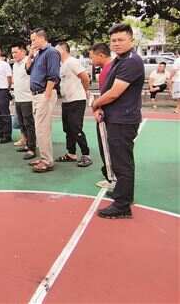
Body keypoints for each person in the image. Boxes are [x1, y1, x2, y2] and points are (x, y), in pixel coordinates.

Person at [92, 23, 144, 219]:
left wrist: (96, 104)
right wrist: (101, 108)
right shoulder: (119, 60)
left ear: (131, 40)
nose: (116, 43)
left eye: (121, 39)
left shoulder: (131, 62)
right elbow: (108, 89)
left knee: (122, 163)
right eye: (113, 40)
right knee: (118, 160)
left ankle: (122, 206)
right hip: (116, 117)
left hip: (123, 120)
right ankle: (123, 194)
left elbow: (115, 92)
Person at [25, 29, 61, 173]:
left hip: (44, 94)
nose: (32, 43)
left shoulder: (51, 52)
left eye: (34, 40)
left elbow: (53, 76)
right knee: (40, 128)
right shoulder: (39, 54)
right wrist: (30, 54)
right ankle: (44, 157)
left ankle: (47, 161)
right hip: (37, 95)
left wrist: (46, 97)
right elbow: (28, 70)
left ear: (42, 38)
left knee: (42, 129)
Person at [55, 42, 92, 167]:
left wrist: (85, 90)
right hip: (67, 101)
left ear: (62, 50)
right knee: (68, 128)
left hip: (77, 100)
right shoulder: (62, 65)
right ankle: (71, 153)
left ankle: (86, 154)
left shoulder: (72, 62)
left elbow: (85, 77)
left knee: (76, 128)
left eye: (56, 50)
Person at [90, 43, 115, 189]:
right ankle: (112, 176)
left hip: (107, 114)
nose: (91, 60)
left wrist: (96, 106)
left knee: (106, 147)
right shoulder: (111, 68)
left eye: (92, 57)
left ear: (100, 55)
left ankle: (112, 179)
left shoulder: (108, 70)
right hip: (109, 112)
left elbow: (108, 94)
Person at [11, 44, 37, 160]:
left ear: (23, 52)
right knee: (22, 124)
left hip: (28, 98)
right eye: (12, 52)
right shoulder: (15, 65)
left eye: (16, 52)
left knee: (29, 124)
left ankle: (32, 148)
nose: (13, 55)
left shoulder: (28, 61)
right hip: (18, 98)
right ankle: (26, 144)